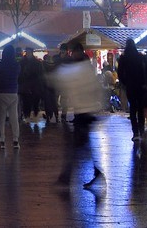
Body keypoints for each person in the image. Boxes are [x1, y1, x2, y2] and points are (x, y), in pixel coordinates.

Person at [50, 39, 106, 191]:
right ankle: (92, 172)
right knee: (82, 147)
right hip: (85, 112)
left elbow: (65, 79)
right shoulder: (85, 67)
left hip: (83, 113)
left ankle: (66, 178)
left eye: (72, 52)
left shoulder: (80, 68)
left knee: (74, 148)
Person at [0, 43, 22, 148]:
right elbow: (19, 77)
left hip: (1, 92)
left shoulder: (0, 65)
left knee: (1, 118)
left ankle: (2, 140)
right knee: (14, 117)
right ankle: (15, 140)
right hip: (13, 92)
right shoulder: (17, 65)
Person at [116, 40, 147, 140]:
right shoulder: (140, 57)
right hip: (141, 85)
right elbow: (145, 71)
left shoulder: (123, 58)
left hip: (130, 86)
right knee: (141, 108)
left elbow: (120, 73)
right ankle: (142, 130)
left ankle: (135, 132)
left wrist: (125, 82)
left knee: (133, 109)